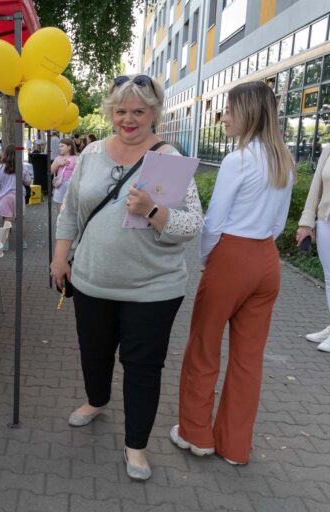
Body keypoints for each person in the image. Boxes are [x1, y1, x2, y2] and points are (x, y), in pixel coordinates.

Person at [50, 74, 203, 481]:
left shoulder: (167, 159)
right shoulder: (93, 153)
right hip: (91, 280)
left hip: (153, 288)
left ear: (154, 113)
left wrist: (154, 209)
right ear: (110, 113)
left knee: (142, 367)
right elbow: (70, 212)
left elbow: (190, 226)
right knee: (93, 352)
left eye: (138, 111)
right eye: (121, 111)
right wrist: (59, 258)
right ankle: (96, 401)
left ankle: (135, 446)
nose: (128, 119)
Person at [173, 82, 295, 466]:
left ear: (248, 112)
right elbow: (278, 224)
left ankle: (197, 434)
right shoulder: (284, 161)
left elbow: (213, 221)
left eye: (228, 109)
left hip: (232, 254)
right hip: (266, 260)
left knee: (203, 347)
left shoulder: (237, 160)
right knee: (248, 358)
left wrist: (210, 258)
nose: (223, 116)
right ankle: (235, 446)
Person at [297, 145, 330, 352]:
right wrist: (306, 222)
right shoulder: (329, 149)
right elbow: (315, 188)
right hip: (326, 221)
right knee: (329, 277)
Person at [0, 144, 32, 250]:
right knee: (20, 220)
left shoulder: (1, 167)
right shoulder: (22, 166)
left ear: (5, 154)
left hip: (5, 197)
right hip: (18, 196)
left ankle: (6, 244)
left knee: (6, 221)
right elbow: (28, 182)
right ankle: (23, 243)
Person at [51, 138, 78, 209]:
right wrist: (59, 164)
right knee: (60, 207)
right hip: (60, 185)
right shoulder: (58, 158)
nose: (60, 148)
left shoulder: (76, 158)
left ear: (69, 147)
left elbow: (79, 173)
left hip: (71, 185)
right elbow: (50, 171)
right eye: (59, 146)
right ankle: (61, 220)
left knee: (71, 207)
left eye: (62, 146)